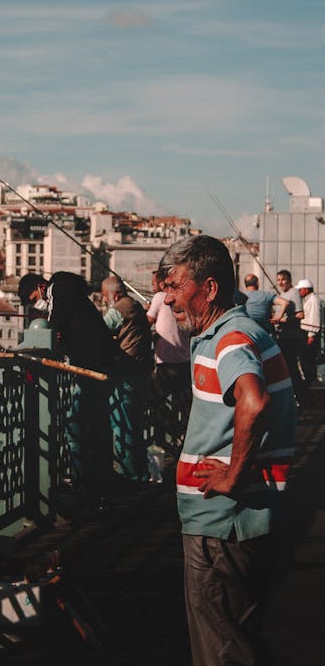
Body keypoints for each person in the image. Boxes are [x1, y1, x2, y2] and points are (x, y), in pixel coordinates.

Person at [159, 235, 297, 666]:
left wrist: (232, 475)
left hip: (221, 523)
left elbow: (253, 401)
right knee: (238, 634)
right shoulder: (235, 331)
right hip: (236, 520)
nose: (167, 298)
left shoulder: (231, 338)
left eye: (176, 286)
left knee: (220, 644)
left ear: (211, 287)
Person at [47, 272, 119, 512]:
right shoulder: (83, 305)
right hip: (102, 367)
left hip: (90, 370)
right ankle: (99, 483)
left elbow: (55, 325)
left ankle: (83, 485)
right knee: (96, 426)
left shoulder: (58, 292)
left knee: (75, 426)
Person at [101, 276, 153, 486]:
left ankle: (129, 475)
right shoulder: (136, 306)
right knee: (136, 425)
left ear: (114, 294)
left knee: (123, 426)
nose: (105, 301)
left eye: (105, 296)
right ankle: (140, 472)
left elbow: (100, 332)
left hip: (126, 373)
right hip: (143, 372)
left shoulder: (118, 309)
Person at [146, 267, 191, 414]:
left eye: (153, 284)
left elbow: (148, 322)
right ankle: (180, 433)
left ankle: (166, 428)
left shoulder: (159, 297)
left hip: (166, 362)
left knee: (154, 399)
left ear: (160, 285)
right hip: (185, 361)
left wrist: (146, 311)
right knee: (183, 405)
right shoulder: (183, 297)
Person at [276, 269, 304, 405]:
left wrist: (284, 320)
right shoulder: (282, 294)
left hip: (291, 337)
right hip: (283, 336)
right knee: (285, 367)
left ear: (289, 280)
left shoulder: (294, 293)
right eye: (279, 280)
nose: (281, 282)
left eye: (283, 279)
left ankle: (300, 397)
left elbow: (300, 314)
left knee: (292, 367)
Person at [296, 278, 321, 389]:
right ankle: (309, 379)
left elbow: (315, 317)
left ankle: (311, 381)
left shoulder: (314, 300)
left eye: (300, 289)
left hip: (309, 333)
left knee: (308, 359)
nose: (299, 292)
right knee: (304, 358)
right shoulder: (307, 299)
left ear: (306, 290)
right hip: (304, 332)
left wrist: (311, 335)